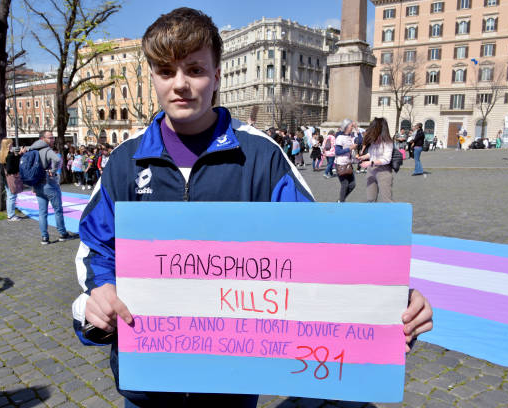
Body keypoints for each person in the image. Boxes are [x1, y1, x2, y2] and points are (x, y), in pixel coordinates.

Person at [71, 8, 433, 408]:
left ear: (217, 76)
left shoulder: (261, 156)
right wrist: (98, 296)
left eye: (194, 69)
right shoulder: (125, 161)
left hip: (233, 382)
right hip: (148, 383)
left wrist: (389, 302)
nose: (180, 85)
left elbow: (318, 252)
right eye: (165, 71)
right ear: (153, 78)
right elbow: (97, 252)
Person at [29, 130, 77, 244]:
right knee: (58, 210)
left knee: (42, 212)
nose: (53, 140)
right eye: (50, 138)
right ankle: (62, 233)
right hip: (48, 183)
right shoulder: (46, 150)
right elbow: (57, 159)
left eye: (53, 137)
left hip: (37, 184)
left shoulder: (32, 150)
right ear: (42, 139)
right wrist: (53, 171)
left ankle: (44, 237)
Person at [357, 118, 394, 202]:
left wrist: (370, 162)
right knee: (370, 199)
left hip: (383, 171)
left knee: (386, 200)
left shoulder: (387, 142)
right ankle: (371, 214)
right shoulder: (373, 140)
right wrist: (363, 157)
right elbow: (371, 154)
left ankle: (390, 214)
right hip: (371, 171)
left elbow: (386, 159)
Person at [0, 139, 24, 221]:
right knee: (12, 196)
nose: (12, 144)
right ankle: (11, 215)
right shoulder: (10, 155)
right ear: (8, 145)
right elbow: (10, 168)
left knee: (10, 196)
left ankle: (10, 214)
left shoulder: (2, 154)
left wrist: (19, 155)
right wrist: (16, 170)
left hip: (5, 177)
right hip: (10, 177)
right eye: (11, 143)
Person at [334, 118, 357, 202]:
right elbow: (337, 151)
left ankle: (340, 200)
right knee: (345, 184)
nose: (352, 127)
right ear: (346, 127)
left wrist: (357, 128)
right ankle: (341, 202)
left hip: (348, 163)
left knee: (352, 185)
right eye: (351, 126)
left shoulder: (350, 136)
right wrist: (349, 148)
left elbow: (360, 140)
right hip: (340, 164)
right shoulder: (340, 137)